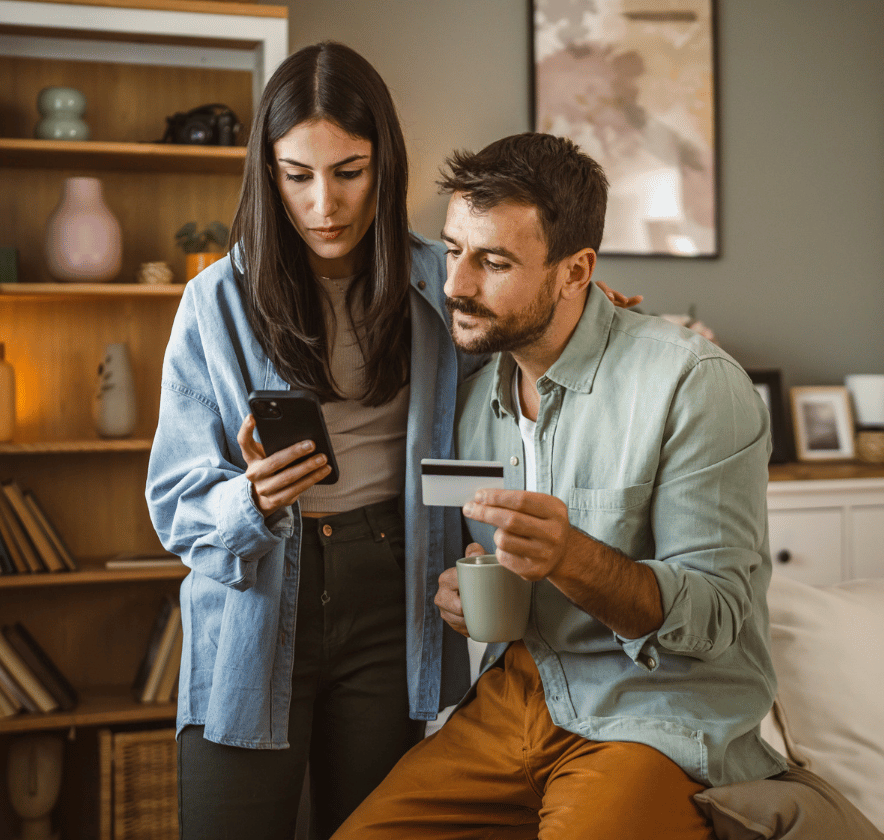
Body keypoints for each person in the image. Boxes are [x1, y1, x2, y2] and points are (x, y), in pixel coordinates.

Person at [145, 45, 640, 840]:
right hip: (257, 597)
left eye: (349, 171)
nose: (323, 203)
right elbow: (175, 503)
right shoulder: (217, 302)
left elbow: (526, 327)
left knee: (375, 828)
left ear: (385, 165)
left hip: (394, 589)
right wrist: (251, 496)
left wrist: (572, 303)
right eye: (295, 174)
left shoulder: (440, 283)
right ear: (266, 174)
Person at [331, 132, 786, 839]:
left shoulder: (693, 385)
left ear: (576, 272)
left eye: (495, 261)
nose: (456, 284)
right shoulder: (472, 398)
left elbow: (718, 615)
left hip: (654, 714)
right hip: (517, 694)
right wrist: (463, 590)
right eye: (454, 250)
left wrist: (570, 557)